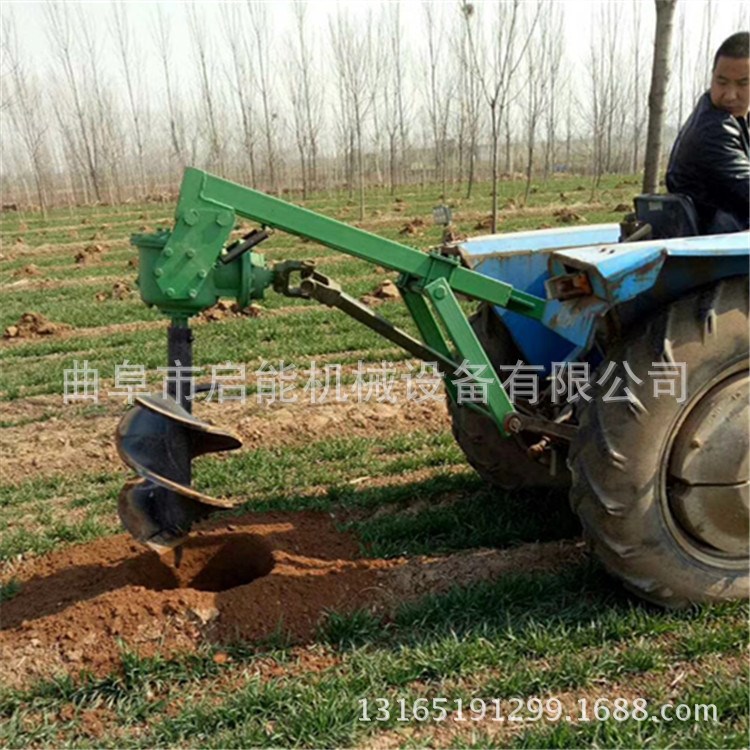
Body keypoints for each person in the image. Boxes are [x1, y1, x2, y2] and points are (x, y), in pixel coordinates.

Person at [666, 31, 749, 234]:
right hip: (714, 252)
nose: (730, 95)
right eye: (721, 82)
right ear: (712, 78)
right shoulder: (714, 130)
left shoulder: (733, 119)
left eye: (742, 84)